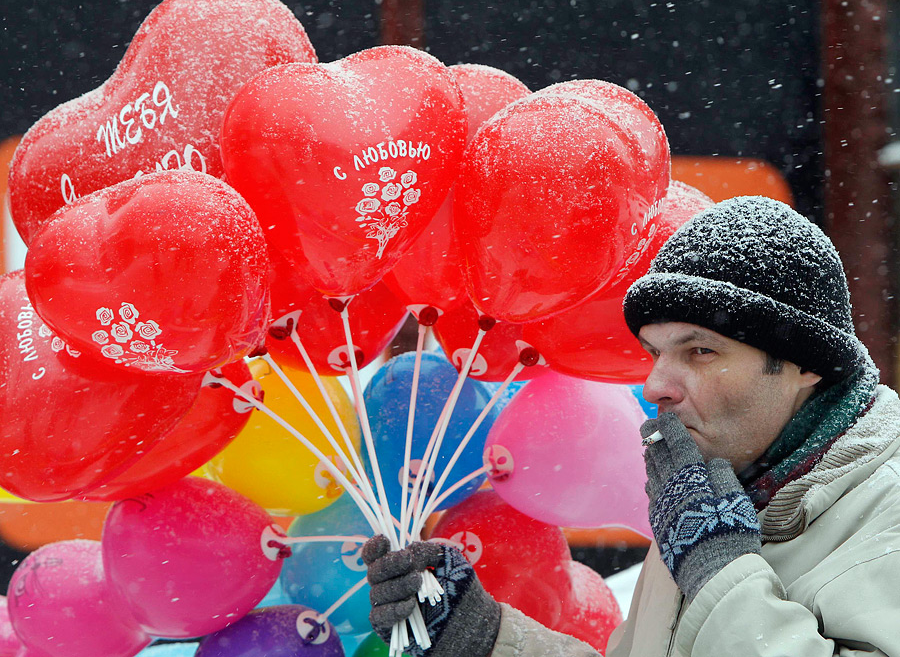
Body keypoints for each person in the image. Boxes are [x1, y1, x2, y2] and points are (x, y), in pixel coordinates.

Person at [363, 195, 900, 656]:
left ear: (806, 364)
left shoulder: (885, 510)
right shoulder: (709, 504)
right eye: (654, 353)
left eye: (702, 350)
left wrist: (718, 573)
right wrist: (484, 638)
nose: (655, 386)